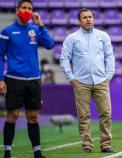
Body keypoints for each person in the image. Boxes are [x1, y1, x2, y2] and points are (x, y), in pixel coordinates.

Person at [0, 0, 55, 158]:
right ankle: (7, 152)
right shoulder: (7, 31)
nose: (27, 10)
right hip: (14, 79)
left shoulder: (35, 30)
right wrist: (1, 79)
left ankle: (37, 153)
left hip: (34, 80)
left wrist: (42, 25)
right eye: (24, 8)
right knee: (13, 115)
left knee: (33, 116)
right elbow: (0, 57)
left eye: (30, 8)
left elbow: (50, 45)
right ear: (17, 10)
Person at [60, 8, 116, 154]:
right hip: (81, 82)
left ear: (94, 19)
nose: (88, 19)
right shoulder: (72, 38)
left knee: (106, 114)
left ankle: (105, 145)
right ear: (79, 21)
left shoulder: (103, 36)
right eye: (84, 17)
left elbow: (110, 57)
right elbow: (64, 59)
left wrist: (108, 76)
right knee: (84, 116)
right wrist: (71, 78)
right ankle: (86, 145)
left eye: (90, 17)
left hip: (101, 80)